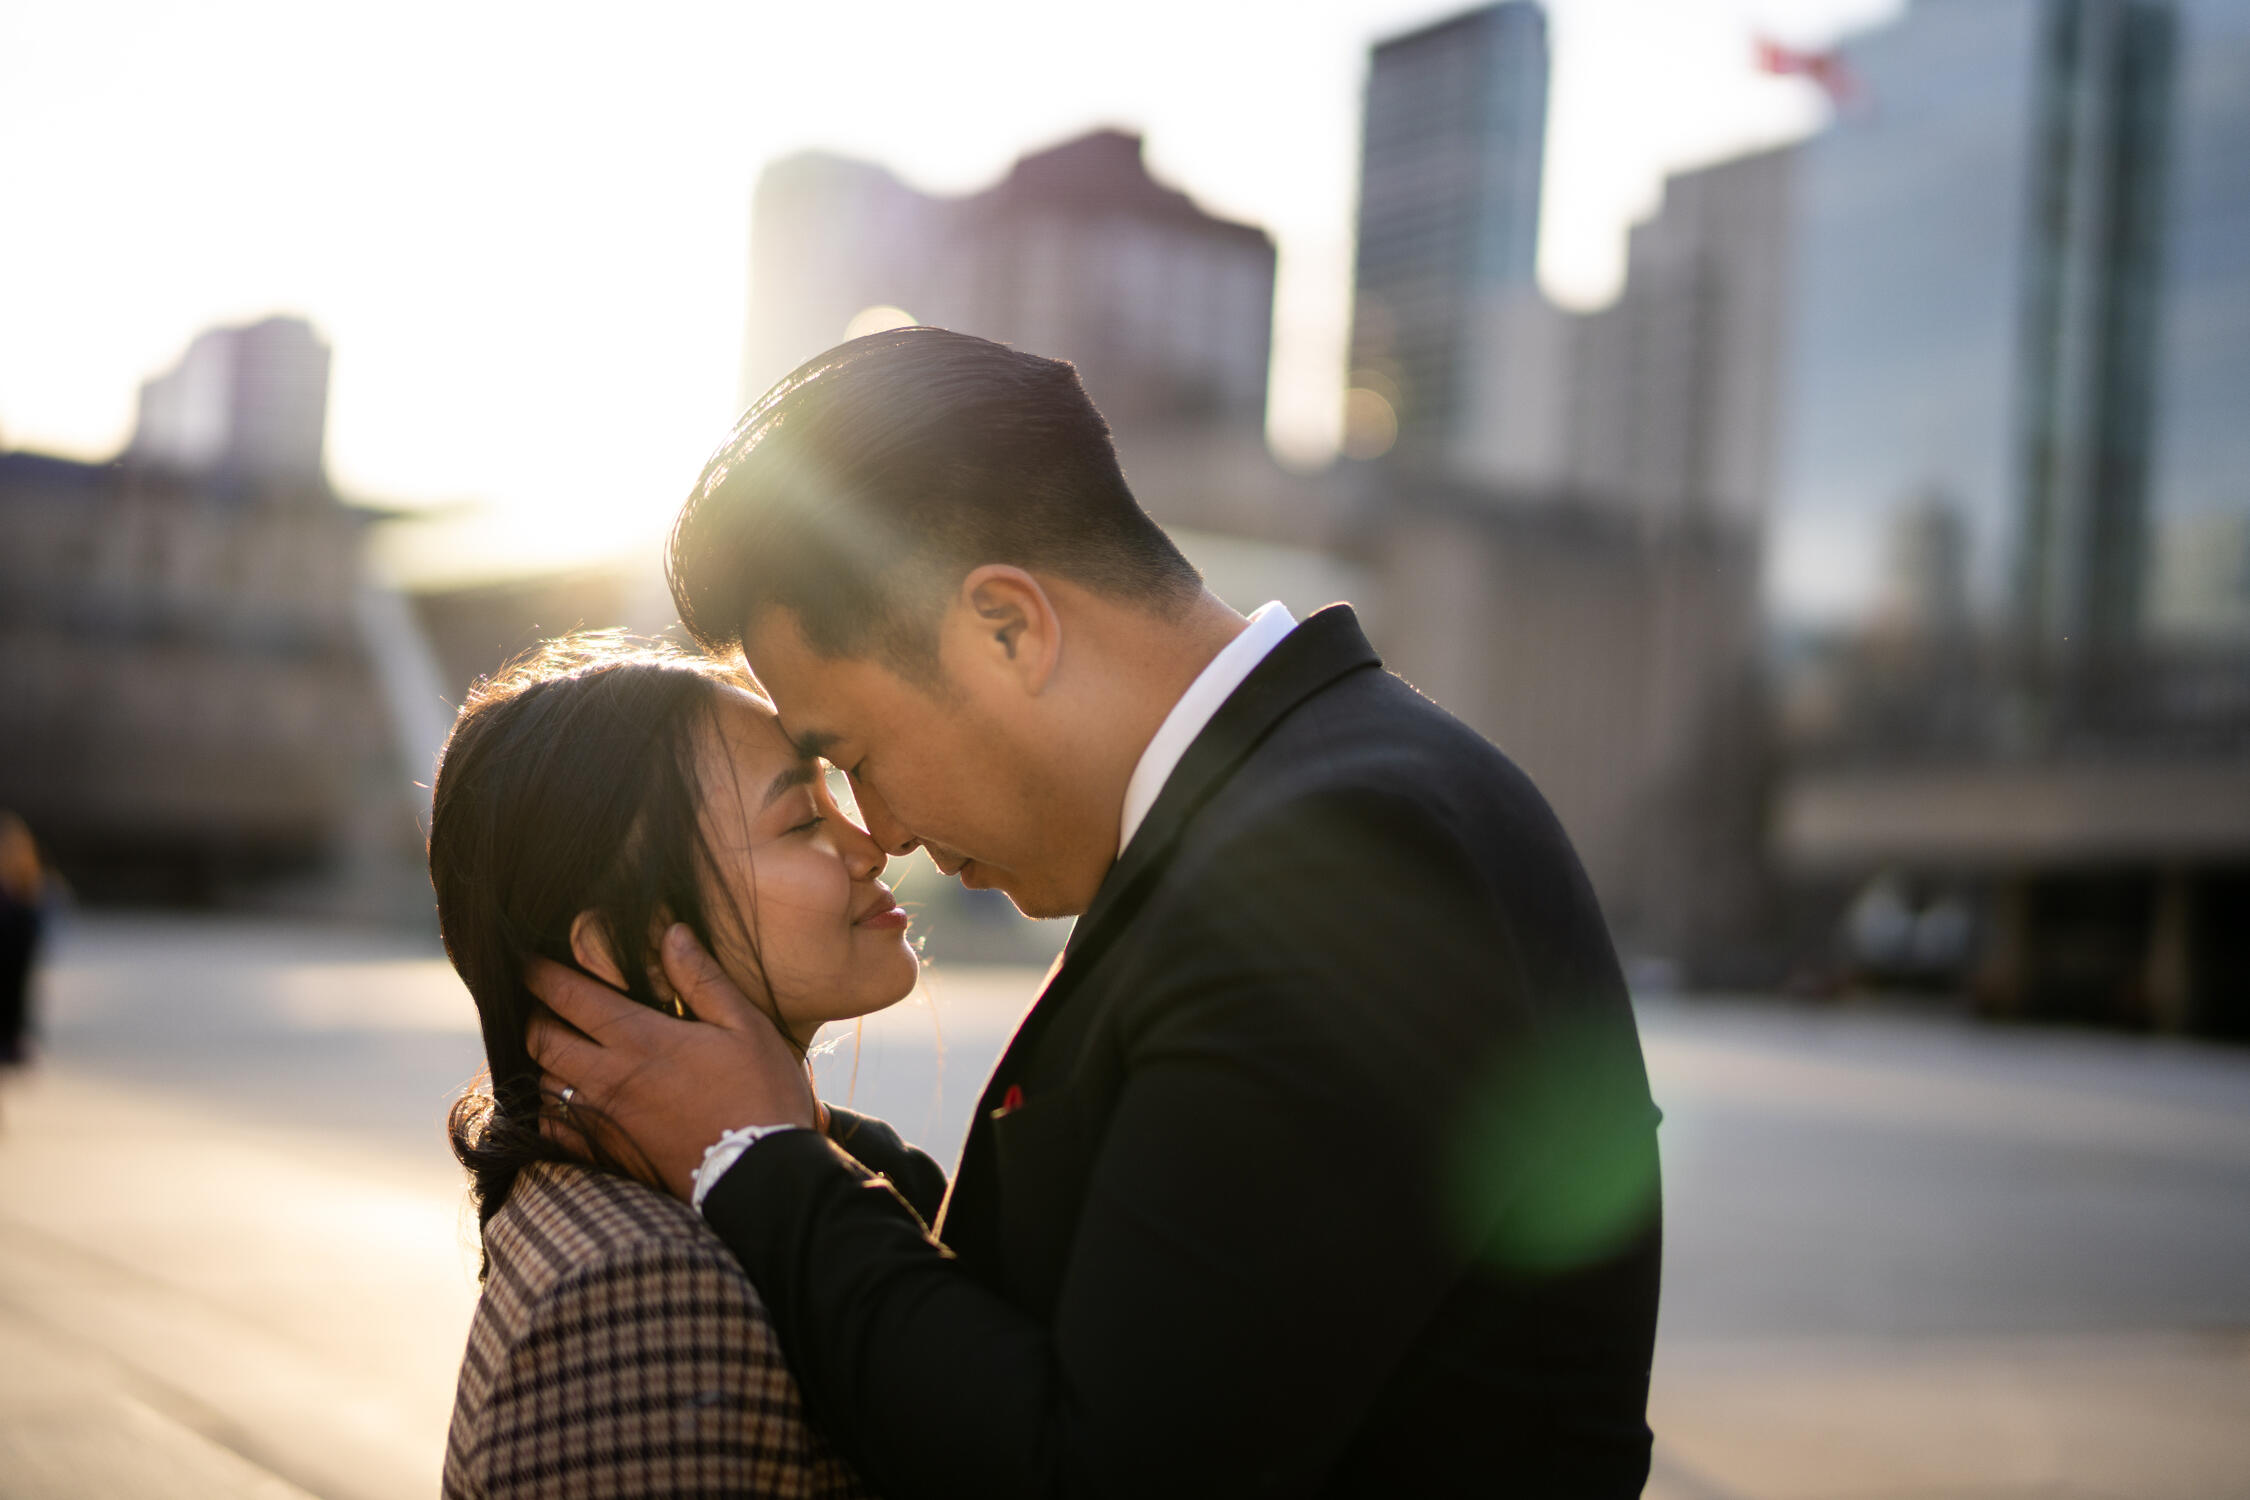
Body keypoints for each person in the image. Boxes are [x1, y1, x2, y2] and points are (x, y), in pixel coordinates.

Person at [531, 328, 1664, 1497]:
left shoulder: (1338, 864)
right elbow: (1123, 1303)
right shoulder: (1293, 809)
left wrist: (755, 1163)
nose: (884, 830)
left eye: (855, 754)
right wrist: (790, 1129)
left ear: (1008, 628)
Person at [428, 635, 944, 1499]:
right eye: (802, 821)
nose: (869, 847)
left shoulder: (699, 1202)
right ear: (626, 949)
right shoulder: (639, 1288)